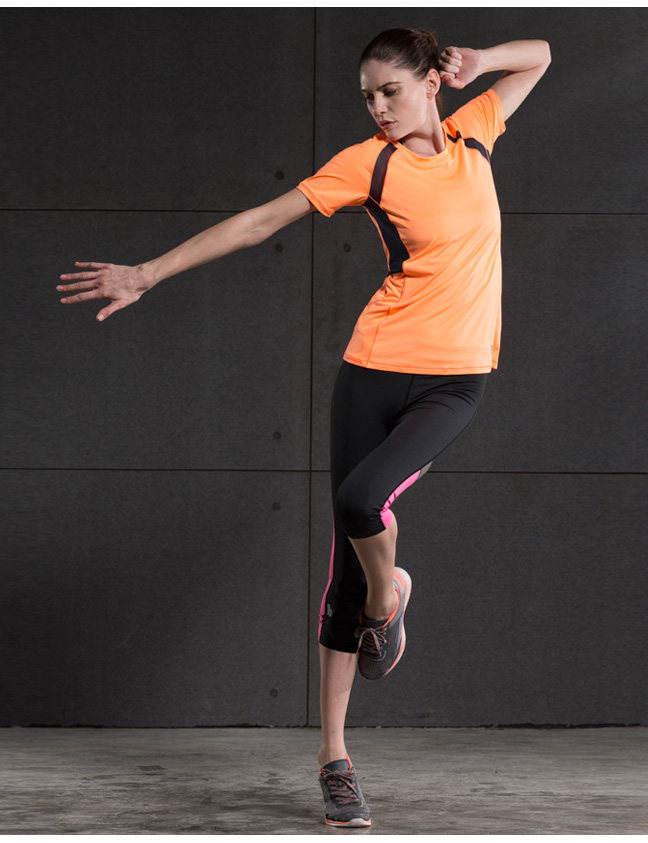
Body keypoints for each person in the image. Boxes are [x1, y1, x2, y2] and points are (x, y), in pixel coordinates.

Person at [56, 27, 551, 827]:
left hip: (455, 379)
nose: (378, 107)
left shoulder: (476, 132)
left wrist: (482, 61)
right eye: (368, 96)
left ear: (432, 82)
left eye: (391, 90)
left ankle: (391, 598)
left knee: (363, 500)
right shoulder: (369, 164)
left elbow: (542, 55)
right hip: (372, 369)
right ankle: (335, 757)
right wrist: (147, 272)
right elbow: (261, 221)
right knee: (344, 570)